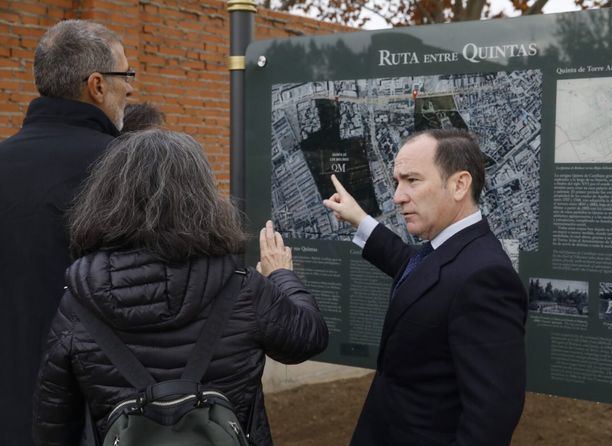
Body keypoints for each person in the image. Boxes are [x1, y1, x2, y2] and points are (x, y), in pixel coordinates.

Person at [31, 129, 329, 445]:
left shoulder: (79, 303)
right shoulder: (241, 287)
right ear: (201, 198)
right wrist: (281, 274)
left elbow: (53, 424)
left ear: (107, 198)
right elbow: (308, 338)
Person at [323, 128, 527, 446]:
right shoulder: (448, 248)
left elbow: (491, 417)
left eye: (412, 180)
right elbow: (415, 269)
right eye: (397, 182)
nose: (397, 196)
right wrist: (359, 220)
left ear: (459, 184)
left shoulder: (486, 279)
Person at [0, 20, 133, 445]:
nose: (130, 89)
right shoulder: (127, 170)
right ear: (97, 85)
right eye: (124, 76)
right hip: (95, 415)